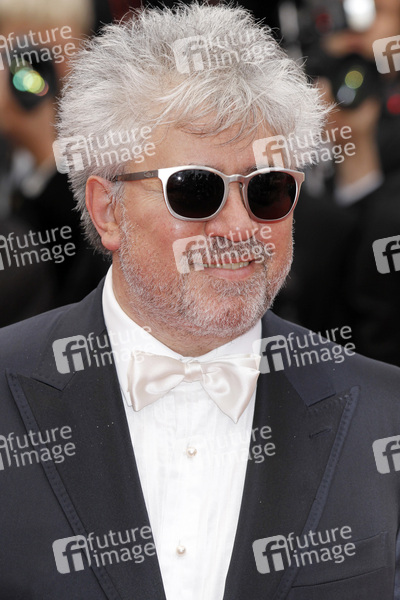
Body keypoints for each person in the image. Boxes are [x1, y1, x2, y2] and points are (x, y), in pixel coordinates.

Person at [0, 4, 399, 599]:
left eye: (267, 189)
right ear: (108, 211)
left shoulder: (386, 414)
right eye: (195, 189)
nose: (239, 228)